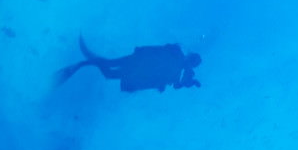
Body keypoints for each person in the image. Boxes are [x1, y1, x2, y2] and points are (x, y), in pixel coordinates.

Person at [54, 37, 201, 92]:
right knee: (109, 69)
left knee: (109, 69)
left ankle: (84, 63)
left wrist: (192, 82)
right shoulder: (177, 56)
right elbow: (178, 83)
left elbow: (179, 84)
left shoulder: (179, 63)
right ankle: (84, 63)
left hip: (138, 66)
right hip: (138, 65)